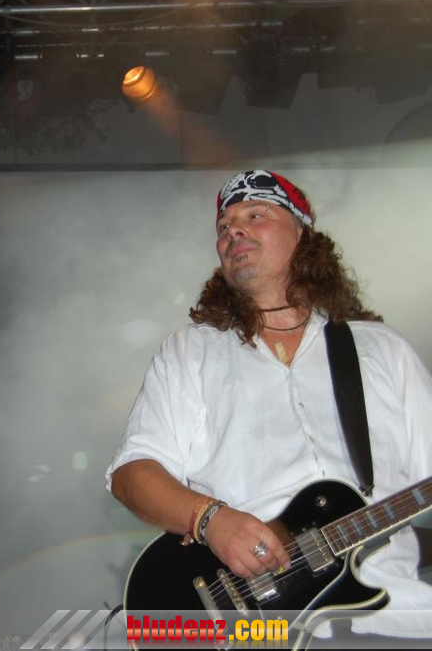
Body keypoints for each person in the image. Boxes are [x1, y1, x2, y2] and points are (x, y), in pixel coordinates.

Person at [107, 169, 432, 641]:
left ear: (303, 235)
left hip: (398, 615)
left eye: (255, 215)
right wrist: (210, 520)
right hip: (254, 626)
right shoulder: (191, 351)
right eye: (224, 227)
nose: (233, 232)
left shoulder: (382, 350)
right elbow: (132, 475)